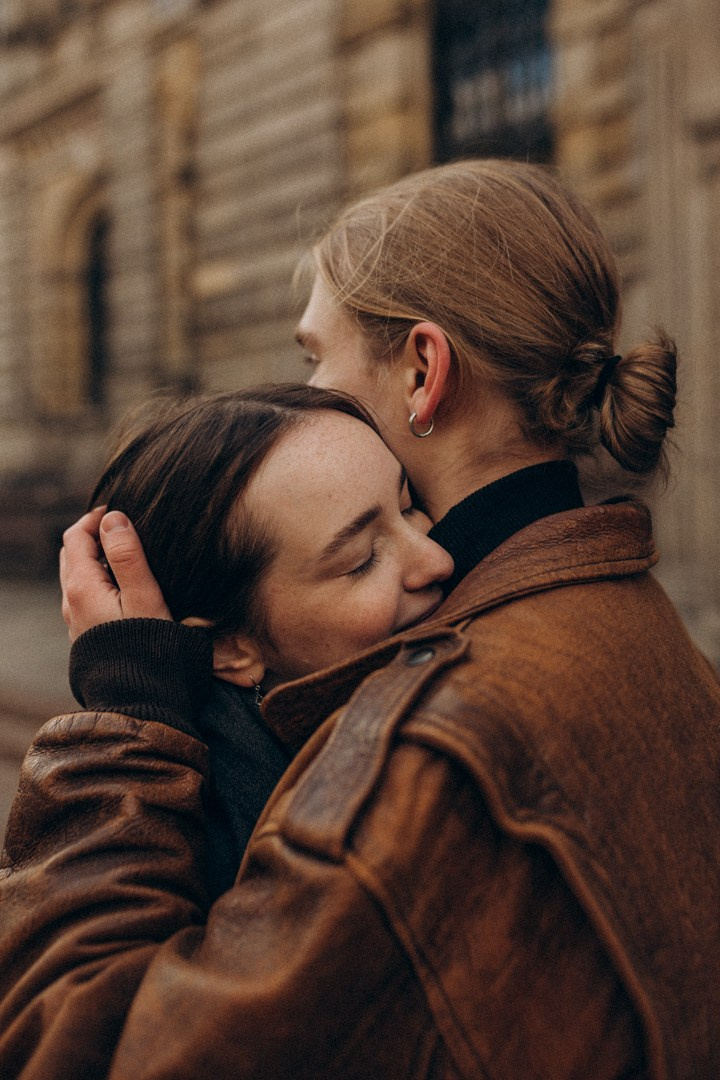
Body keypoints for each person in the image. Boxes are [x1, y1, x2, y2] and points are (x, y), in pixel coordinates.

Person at [2, 158, 720, 1079]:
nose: (307, 387)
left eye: (314, 356)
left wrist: (124, 729)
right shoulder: (631, 611)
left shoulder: (422, 751)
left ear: (423, 370)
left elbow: (74, 1053)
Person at [65, 383, 453, 898]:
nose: (437, 559)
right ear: (229, 649)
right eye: (361, 560)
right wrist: (129, 696)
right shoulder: (234, 844)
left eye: (408, 506)